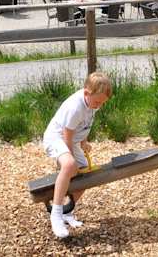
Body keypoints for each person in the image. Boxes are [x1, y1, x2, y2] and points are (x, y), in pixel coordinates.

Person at [42, 72, 113, 239]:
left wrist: (83, 141)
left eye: (102, 103)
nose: (98, 106)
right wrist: (69, 158)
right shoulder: (75, 106)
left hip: (72, 139)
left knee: (86, 176)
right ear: (86, 93)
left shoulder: (92, 103)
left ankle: (67, 211)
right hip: (57, 137)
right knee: (69, 165)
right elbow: (67, 133)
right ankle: (56, 214)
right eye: (97, 102)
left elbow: (83, 125)